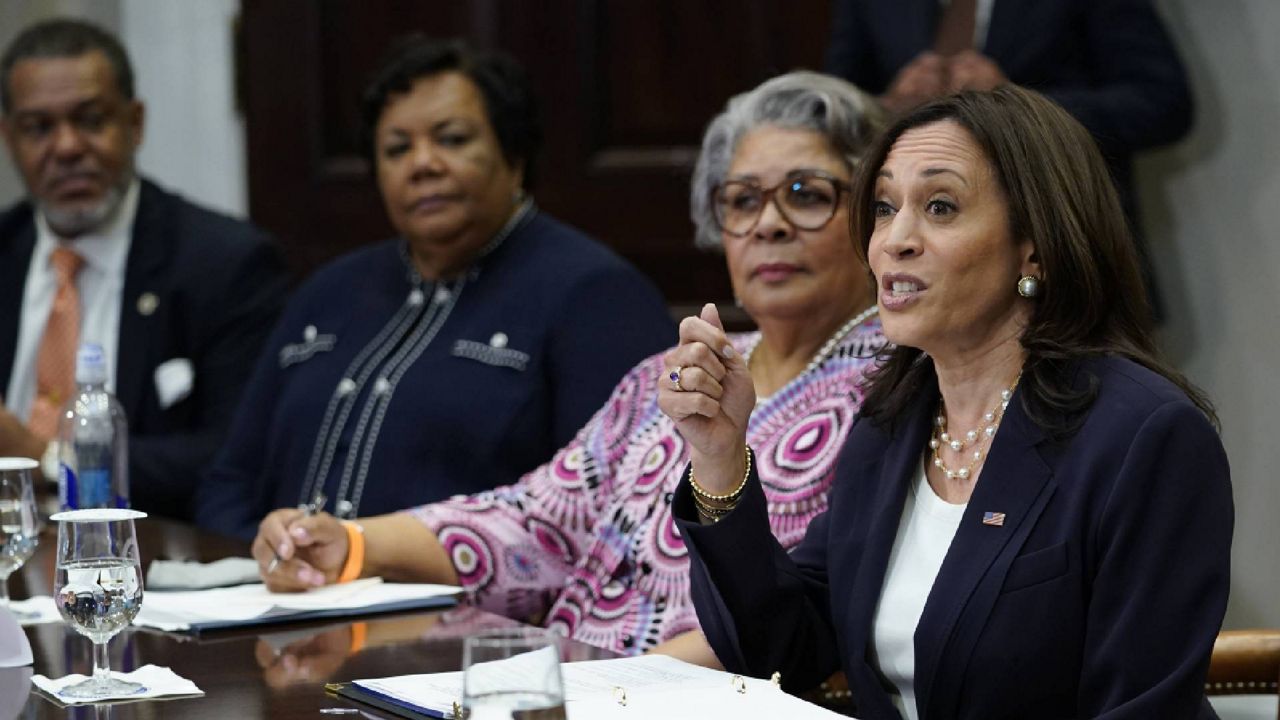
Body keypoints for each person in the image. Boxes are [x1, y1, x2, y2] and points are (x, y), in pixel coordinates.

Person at [249, 70, 887, 661]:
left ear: (872, 215)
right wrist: (352, 544)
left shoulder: (901, 387)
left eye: (806, 194)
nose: (768, 225)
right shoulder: (670, 372)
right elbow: (536, 523)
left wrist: (595, 689)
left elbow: (812, 618)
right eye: (743, 201)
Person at [665, 86, 1231, 718]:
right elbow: (782, 652)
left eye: (940, 206)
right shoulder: (891, 423)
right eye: (883, 207)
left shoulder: (1141, 437)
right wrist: (718, 457)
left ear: (1034, 247)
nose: (894, 240)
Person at [198, 36, 675, 539]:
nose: (422, 164)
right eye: (397, 148)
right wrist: (250, 565)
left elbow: (613, 506)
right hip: (270, 601)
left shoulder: (595, 294)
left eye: (451, 139)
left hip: (468, 608)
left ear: (513, 156)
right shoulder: (329, 291)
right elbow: (231, 478)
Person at [0, 19, 287, 520]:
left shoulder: (223, 262)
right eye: (39, 128)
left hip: (149, 557)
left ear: (134, 124)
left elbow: (237, 451)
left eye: (90, 120)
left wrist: (48, 459)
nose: (66, 147)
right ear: (9, 139)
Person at [824, 0, 1193, 319]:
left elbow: (1163, 103)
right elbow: (829, 115)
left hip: (1065, 257)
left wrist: (1015, 102)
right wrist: (887, 105)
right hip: (920, 284)